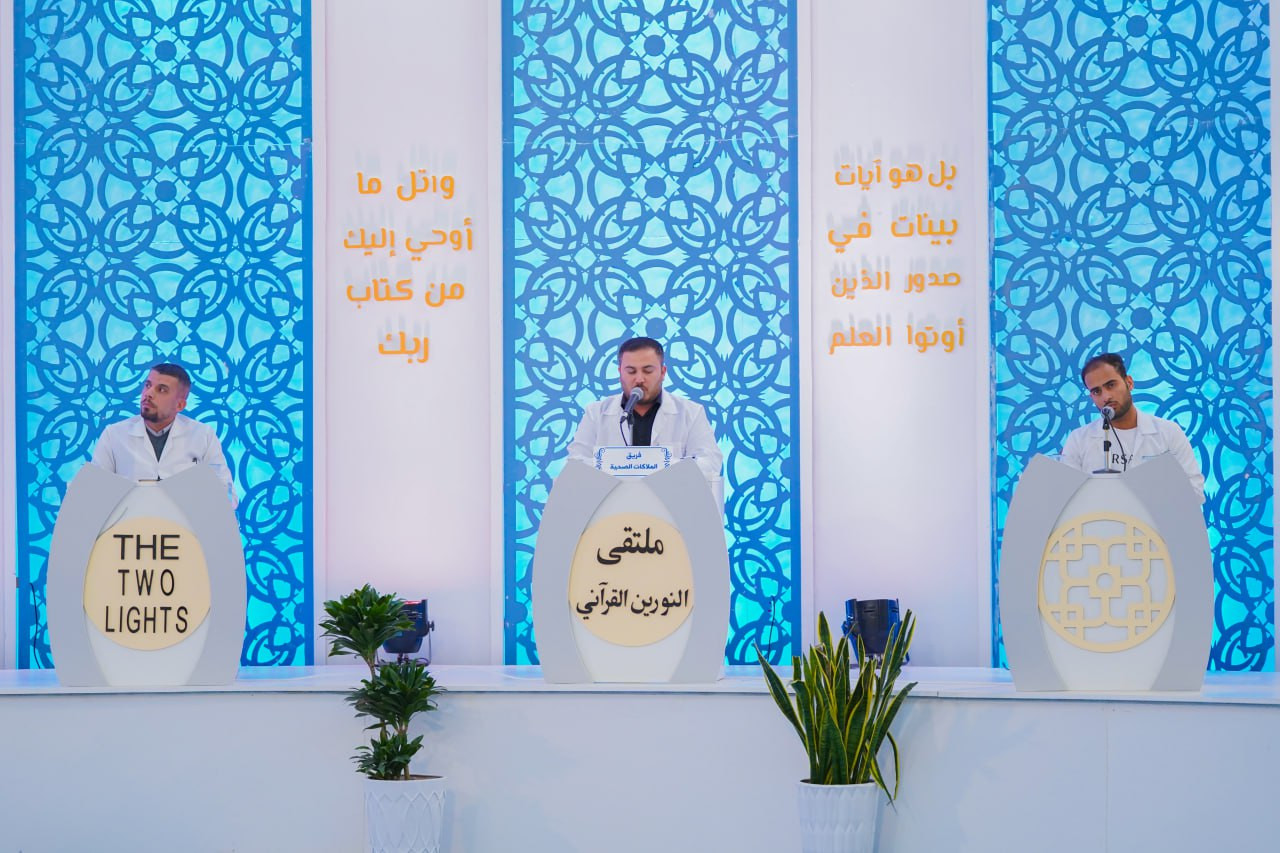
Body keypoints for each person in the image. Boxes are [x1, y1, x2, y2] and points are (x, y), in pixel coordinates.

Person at [567, 337, 723, 495]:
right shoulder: (595, 413)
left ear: (663, 372)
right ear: (620, 372)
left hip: (671, 504)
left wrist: (658, 464)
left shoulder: (691, 412)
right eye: (631, 371)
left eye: (648, 371)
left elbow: (711, 464)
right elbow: (575, 465)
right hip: (612, 505)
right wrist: (618, 465)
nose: (639, 379)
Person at [1059, 353, 1204, 502]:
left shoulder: (1168, 432)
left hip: (1158, 517)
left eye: (1111, 385)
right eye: (1097, 391)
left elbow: (1195, 492)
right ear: (1092, 397)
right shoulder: (1078, 439)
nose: (1106, 397)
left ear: (1129, 383)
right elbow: (1067, 499)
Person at [91, 363, 237, 506]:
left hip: (185, 521)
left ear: (180, 405)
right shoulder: (114, 435)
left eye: (161, 390)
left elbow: (228, 498)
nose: (148, 394)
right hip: (129, 520)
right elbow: (94, 495)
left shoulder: (203, 436)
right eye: (148, 385)